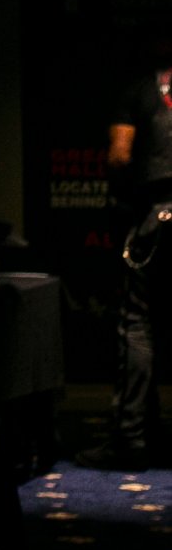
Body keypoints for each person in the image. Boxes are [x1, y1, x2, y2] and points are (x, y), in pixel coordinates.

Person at [77, 54, 172, 470]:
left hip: (160, 213)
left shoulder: (140, 90)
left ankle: (131, 438)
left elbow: (118, 156)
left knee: (137, 323)